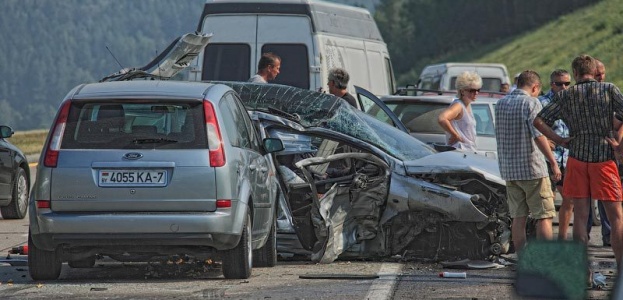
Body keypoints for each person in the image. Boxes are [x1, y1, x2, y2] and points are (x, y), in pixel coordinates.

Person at [534, 54, 623, 268]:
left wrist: (560, 140)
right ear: (594, 71)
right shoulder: (609, 89)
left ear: (574, 73)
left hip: (576, 157)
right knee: (616, 217)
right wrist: (619, 145)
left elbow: (539, 121)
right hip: (604, 157)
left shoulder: (567, 94)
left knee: (581, 218)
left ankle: (584, 271)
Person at [495, 70, 559, 252]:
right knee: (544, 216)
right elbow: (538, 135)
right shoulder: (532, 103)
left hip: (509, 170)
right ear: (535, 87)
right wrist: (553, 162)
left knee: (518, 218)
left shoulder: (500, 103)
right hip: (532, 169)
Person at [538, 69, 572, 241]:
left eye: (567, 83)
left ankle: (563, 237)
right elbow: (534, 127)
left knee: (570, 199)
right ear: (552, 84)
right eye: (559, 84)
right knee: (547, 202)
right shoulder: (542, 102)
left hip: (567, 157)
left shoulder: (573, 101)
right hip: (547, 158)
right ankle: (547, 237)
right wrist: (546, 140)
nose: (564, 87)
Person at [587, 58, 612, 247]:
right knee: (584, 199)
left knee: (605, 197)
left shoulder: (609, 92)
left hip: (605, 152)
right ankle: (583, 236)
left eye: (602, 73)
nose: (601, 77)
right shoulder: (583, 94)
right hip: (586, 153)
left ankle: (609, 236)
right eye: (597, 73)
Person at [437, 71, 482, 151]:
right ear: (462, 91)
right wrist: (455, 135)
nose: (476, 93)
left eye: (478, 90)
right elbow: (442, 118)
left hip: (468, 152)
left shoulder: (467, 105)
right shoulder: (458, 105)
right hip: (459, 151)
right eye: (472, 90)